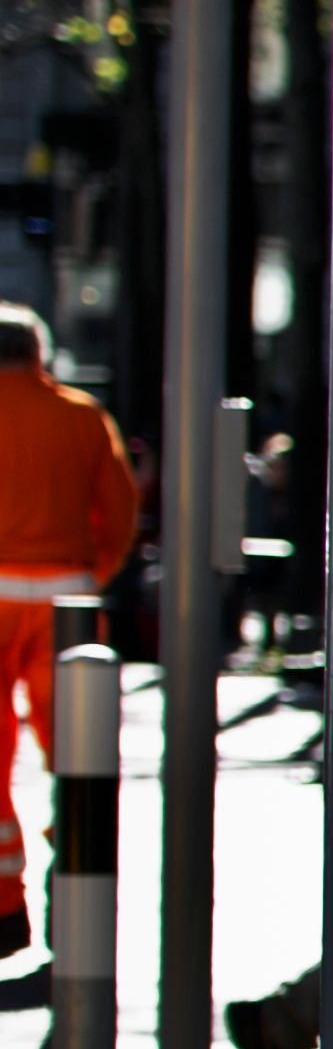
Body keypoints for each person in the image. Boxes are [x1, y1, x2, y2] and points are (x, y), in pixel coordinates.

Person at [0, 301, 141, 958]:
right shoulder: (82, 418)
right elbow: (118, 514)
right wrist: (92, 574)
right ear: (40, 356)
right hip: (68, 604)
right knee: (77, 759)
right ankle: (75, 874)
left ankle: (3, 906)